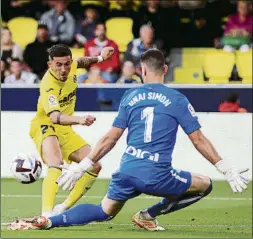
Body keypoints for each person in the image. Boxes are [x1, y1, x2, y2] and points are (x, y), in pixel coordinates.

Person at [8, 49, 248, 231]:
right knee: (205, 184)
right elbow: (198, 140)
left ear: (141, 71)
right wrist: (225, 169)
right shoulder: (177, 99)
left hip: (126, 173)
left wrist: (82, 166)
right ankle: (148, 214)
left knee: (103, 210)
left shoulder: (130, 96)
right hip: (158, 176)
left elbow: (110, 138)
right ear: (165, 69)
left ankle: (49, 220)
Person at [8, 44, 115, 219]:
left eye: (67, 64)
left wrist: (100, 58)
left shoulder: (72, 65)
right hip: (45, 125)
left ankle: (62, 208)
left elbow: (80, 61)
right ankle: (46, 214)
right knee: (56, 163)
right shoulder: (48, 85)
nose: (64, 69)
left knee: (95, 165)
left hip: (65, 129)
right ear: (50, 65)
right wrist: (79, 120)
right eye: (58, 65)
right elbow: (55, 117)